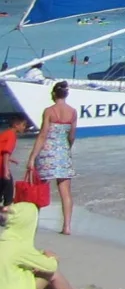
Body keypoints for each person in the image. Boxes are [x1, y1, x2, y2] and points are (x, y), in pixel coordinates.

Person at [0, 202, 83, 289]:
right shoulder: (20, 248)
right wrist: (52, 257)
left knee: (32, 271)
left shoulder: (5, 242)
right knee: (51, 273)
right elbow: (50, 266)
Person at [27, 82, 76, 235]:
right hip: (63, 152)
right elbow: (72, 135)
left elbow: (43, 135)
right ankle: (67, 226)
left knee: (39, 189)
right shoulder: (73, 112)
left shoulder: (49, 111)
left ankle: (34, 223)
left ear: (54, 94)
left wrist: (32, 157)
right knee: (65, 191)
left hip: (47, 152)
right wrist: (66, 148)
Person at [0, 117, 27, 206]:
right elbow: (6, 153)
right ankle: (8, 214)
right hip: (1, 168)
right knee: (8, 194)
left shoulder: (5, 133)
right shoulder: (12, 135)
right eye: (23, 125)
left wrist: (11, 159)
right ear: (16, 125)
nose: (24, 127)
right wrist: (6, 170)